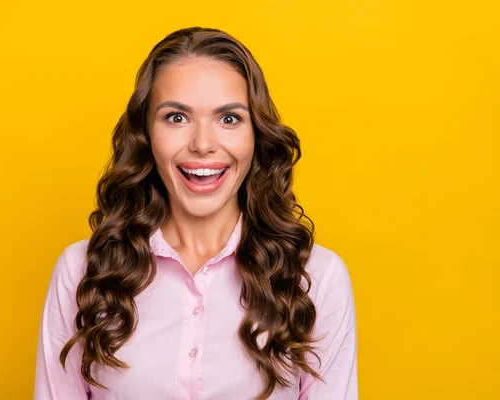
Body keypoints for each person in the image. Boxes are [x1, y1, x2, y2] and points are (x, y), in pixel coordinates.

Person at [34, 27, 357, 400]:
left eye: (229, 119)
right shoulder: (82, 271)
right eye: (176, 117)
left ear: (257, 135)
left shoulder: (317, 278)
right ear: (146, 134)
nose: (203, 145)